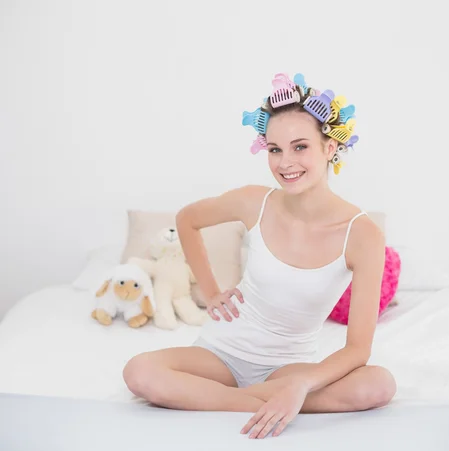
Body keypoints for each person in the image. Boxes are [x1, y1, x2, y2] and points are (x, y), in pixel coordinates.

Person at [122, 73, 397, 439]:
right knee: (138, 372)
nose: (285, 163)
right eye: (274, 149)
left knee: (379, 385)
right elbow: (188, 219)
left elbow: (358, 349)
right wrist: (211, 289)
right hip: (222, 353)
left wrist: (300, 385)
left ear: (330, 148)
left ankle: (221, 399)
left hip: (286, 368)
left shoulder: (362, 235)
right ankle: (257, 401)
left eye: (300, 147)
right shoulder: (255, 201)